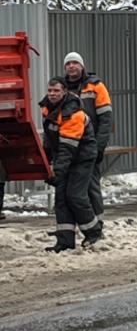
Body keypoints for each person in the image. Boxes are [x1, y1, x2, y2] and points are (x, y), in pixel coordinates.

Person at [40, 76, 102, 252]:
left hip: (82, 157)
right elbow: (49, 139)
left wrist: (57, 172)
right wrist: (45, 162)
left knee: (75, 195)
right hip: (66, 157)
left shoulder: (73, 112)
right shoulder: (47, 107)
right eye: (50, 90)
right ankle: (65, 241)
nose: (52, 94)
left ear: (65, 91)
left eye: (56, 91)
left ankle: (93, 232)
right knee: (61, 198)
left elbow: (68, 145)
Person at [63, 52, 112, 230]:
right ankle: (74, 227)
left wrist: (99, 147)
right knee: (68, 189)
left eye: (75, 63)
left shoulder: (96, 86)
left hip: (89, 147)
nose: (71, 66)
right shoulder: (61, 88)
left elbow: (106, 120)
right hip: (68, 147)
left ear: (82, 66)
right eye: (68, 63)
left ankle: (98, 224)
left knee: (91, 187)